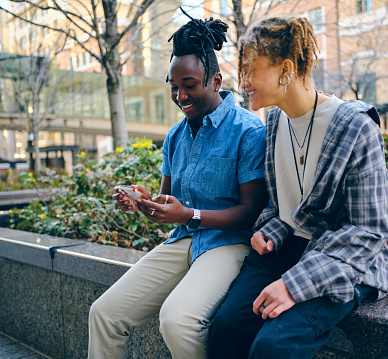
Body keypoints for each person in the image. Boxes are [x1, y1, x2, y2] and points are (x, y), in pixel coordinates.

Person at [207, 15, 388, 359]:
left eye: (250, 69)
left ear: (286, 68)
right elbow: (288, 208)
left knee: (273, 347)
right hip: (285, 251)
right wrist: (272, 230)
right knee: (225, 330)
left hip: (344, 261)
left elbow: (369, 231)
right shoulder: (275, 119)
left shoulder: (356, 128)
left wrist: (294, 286)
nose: (242, 81)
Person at [88, 10, 268, 359]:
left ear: (215, 82)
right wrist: (143, 201)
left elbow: (252, 213)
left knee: (177, 319)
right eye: (174, 87)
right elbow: (167, 200)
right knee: (104, 314)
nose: (180, 96)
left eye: (189, 86)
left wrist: (189, 214)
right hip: (183, 239)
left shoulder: (248, 131)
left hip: (229, 245)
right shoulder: (174, 136)